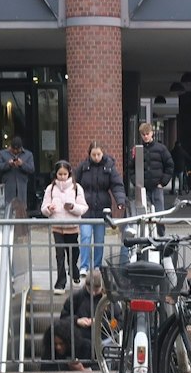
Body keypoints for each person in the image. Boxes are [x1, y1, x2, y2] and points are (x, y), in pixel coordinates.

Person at [74, 142, 127, 276]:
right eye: (93, 154)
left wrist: (120, 200)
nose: (96, 157)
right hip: (86, 208)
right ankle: (84, 266)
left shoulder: (109, 167)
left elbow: (117, 185)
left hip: (102, 209)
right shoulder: (83, 167)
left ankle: (97, 266)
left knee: (99, 239)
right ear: (89, 154)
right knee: (85, 236)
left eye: (98, 154)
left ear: (103, 153)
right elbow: (73, 183)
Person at [42, 269, 104, 370]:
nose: (93, 293)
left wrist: (100, 323)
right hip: (79, 338)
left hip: (101, 339)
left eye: (96, 290)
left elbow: (118, 321)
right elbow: (64, 318)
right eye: (90, 289)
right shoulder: (76, 297)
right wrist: (77, 321)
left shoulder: (107, 301)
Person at [41, 159, 86, 287]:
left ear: (69, 173)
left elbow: (83, 207)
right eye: (59, 174)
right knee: (59, 255)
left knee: (73, 252)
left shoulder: (77, 188)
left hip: (72, 226)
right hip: (57, 226)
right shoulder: (50, 189)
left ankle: (74, 271)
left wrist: (72, 207)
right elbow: (43, 208)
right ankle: (60, 282)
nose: (62, 177)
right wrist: (48, 209)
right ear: (56, 174)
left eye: (64, 174)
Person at [133, 123, 175, 214]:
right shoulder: (138, 150)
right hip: (143, 187)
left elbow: (170, 165)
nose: (145, 136)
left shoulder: (161, 149)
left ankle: (160, 228)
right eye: (143, 135)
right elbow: (131, 168)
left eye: (147, 134)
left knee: (159, 214)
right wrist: (136, 182)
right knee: (144, 214)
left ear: (152, 133)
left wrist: (163, 182)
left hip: (157, 186)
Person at [0, 136, 32, 217]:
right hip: (8, 185)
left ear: (21, 148)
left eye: (17, 149)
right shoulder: (2, 154)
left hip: (21, 185)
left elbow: (31, 169)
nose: (15, 151)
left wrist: (22, 164)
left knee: (22, 208)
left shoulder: (28, 154)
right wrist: (8, 164)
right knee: (8, 207)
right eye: (13, 149)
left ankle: (21, 227)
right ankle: (9, 226)